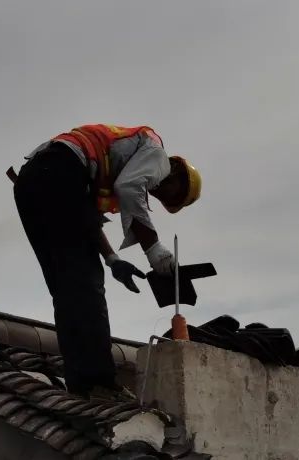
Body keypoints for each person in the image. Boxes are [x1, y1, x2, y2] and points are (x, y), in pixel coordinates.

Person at [13, 124, 201, 399]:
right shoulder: (157, 155)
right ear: (177, 173)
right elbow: (129, 187)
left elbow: (84, 217)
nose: (163, 196)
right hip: (59, 171)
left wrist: (112, 258)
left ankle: (80, 384)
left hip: (31, 183)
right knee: (87, 284)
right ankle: (98, 380)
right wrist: (154, 250)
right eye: (174, 194)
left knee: (66, 286)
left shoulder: (116, 165)